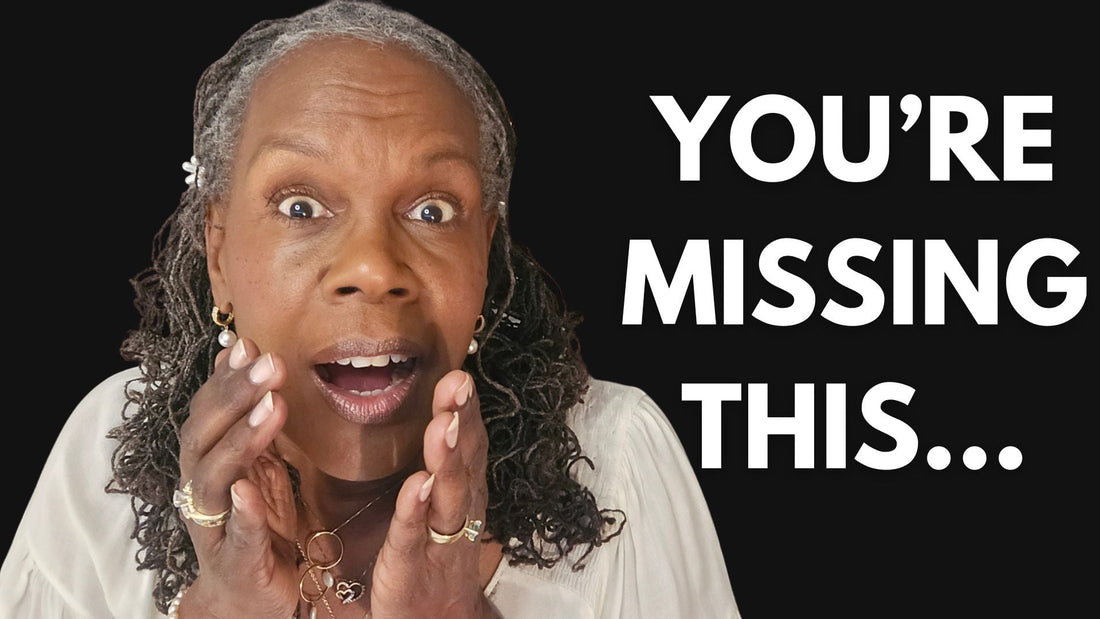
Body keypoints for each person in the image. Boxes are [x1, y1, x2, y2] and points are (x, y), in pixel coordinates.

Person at [0, 1, 740, 617]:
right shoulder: (101, 457)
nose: (373, 268)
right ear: (219, 254)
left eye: (431, 208)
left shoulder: (620, 463)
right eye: (300, 204)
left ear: (485, 257)